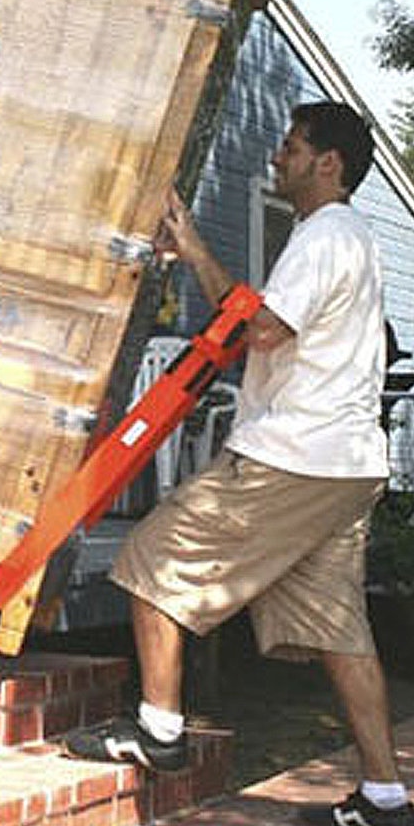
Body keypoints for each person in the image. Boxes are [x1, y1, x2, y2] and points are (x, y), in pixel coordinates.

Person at [65, 102, 413, 826]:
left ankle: (158, 732)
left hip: (296, 456)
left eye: (289, 149)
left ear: (329, 164)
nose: (276, 159)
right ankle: (384, 797)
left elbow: (259, 328)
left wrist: (193, 245)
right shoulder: (356, 239)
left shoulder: (324, 235)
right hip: (345, 464)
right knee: (338, 631)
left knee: (152, 559)